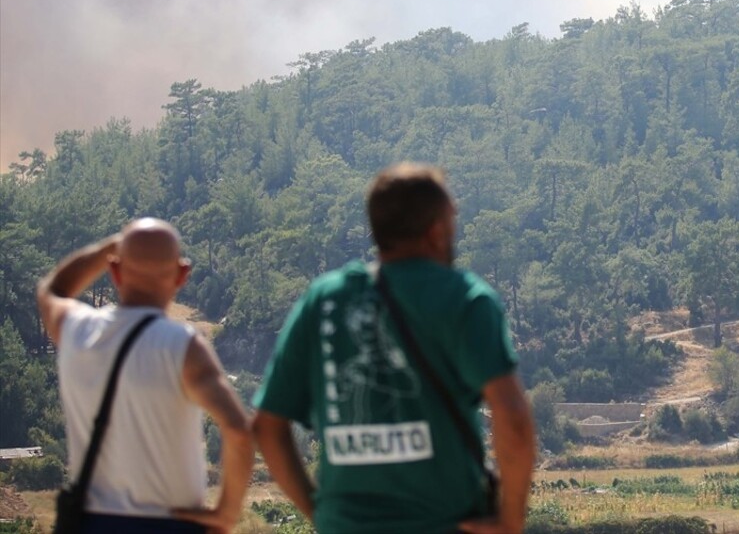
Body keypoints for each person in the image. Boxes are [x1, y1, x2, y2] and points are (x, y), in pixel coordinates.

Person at [253, 163, 536, 534]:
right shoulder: (465, 298)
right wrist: (510, 521)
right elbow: (513, 418)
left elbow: (267, 427)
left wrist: (321, 515)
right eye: (453, 219)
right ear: (437, 230)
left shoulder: (322, 300)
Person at [36, 219, 254, 534]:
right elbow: (238, 431)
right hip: (172, 525)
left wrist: (114, 245)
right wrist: (226, 512)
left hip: (92, 523)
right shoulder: (184, 346)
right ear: (182, 275)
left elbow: (52, 289)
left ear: (114, 271)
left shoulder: (76, 330)